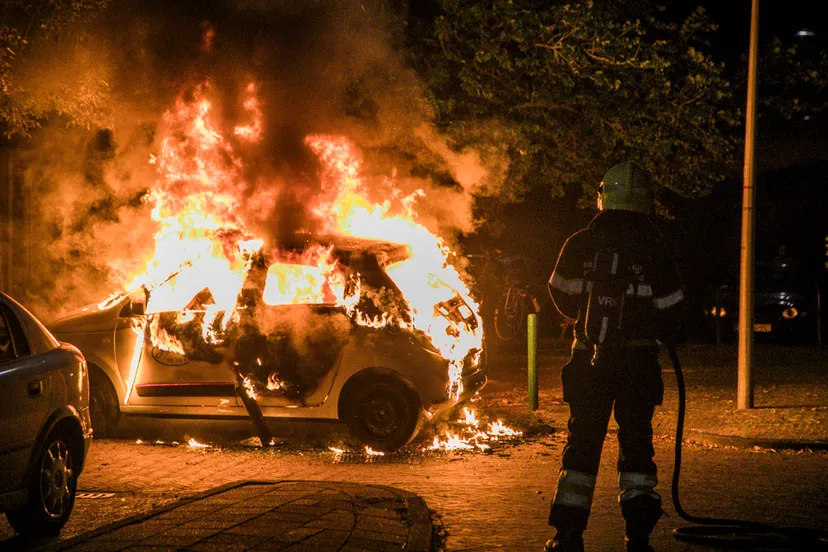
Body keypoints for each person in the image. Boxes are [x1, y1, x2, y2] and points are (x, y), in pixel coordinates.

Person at [543, 161, 685, 552]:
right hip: (638, 365)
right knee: (637, 446)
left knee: (582, 445)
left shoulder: (580, 242)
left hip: (589, 360)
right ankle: (637, 537)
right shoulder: (654, 248)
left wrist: (589, 317)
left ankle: (568, 534)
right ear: (646, 202)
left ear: (603, 196)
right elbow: (674, 307)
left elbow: (560, 293)